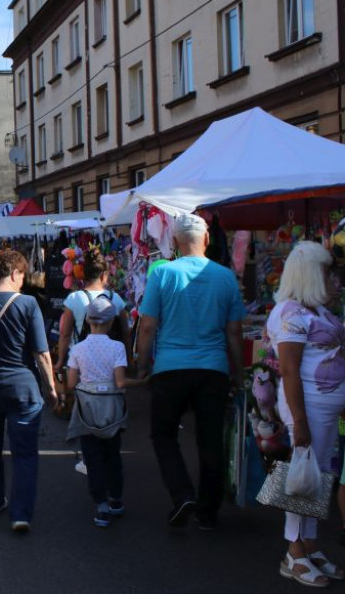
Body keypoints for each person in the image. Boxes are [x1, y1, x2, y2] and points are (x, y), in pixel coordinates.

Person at [137, 213, 244, 530]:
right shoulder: (225, 277)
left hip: (170, 368)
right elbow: (234, 332)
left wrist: (142, 365)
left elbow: (147, 326)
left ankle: (182, 493)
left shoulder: (163, 274)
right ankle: (208, 513)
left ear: (174, 241)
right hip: (213, 369)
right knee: (211, 440)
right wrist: (237, 372)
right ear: (207, 239)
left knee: (163, 434)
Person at [266, 241, 345, 587]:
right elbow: (289, 370)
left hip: (323, 410)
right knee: (301, 478)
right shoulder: (291, 313)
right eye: (327, 272)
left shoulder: (315, 311)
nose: (335, 279)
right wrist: (299, 421)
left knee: (318, 477)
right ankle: (293, 552)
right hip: (308, 409)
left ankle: (309, 546)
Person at [0, 249, 57, 533]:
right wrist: (52, 388)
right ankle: (20, 514)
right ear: (16, 273)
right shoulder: (28, 304)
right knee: (25, 453)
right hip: (23, 387)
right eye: (22, 276)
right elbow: (41, 353)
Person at [65, 296, 145, 528]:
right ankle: (116, 500)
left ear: (88, 320)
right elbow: (120, 382)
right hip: (112, 410)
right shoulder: (117, 347)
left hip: (87, 410)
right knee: (113, 456)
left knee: (92, 458)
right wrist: (140, 382)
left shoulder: (78, 349)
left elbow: (71, 384)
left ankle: (101, 506)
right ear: (111, 322)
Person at [56, 246, 133, 375]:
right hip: (111, 364)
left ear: (83, 275)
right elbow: (126, 333)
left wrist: (60, 362)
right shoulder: (116, 298)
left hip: (82, 364)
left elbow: (65, 335)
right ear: (104, 275)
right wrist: (129, 361)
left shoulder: (74, 298)